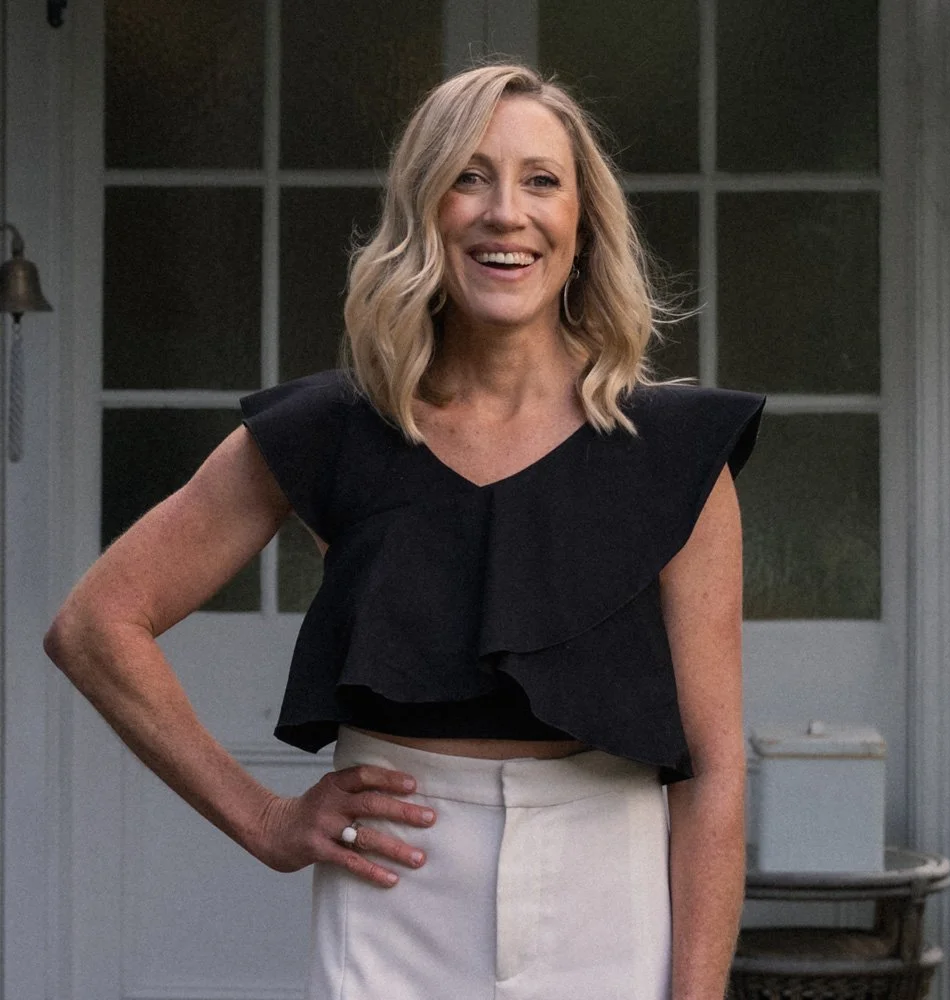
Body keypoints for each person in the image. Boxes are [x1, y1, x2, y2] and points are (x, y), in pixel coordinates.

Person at [45, 64, 764, 1000]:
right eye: (470, 176)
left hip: (611, 903)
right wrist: (263, 821)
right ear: (425, 209)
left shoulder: (673, 453)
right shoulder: (333, 429)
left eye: (541, 180)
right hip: (396, 894)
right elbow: (96, 624)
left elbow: (712, 771)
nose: (507, 212)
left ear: (583, 222)